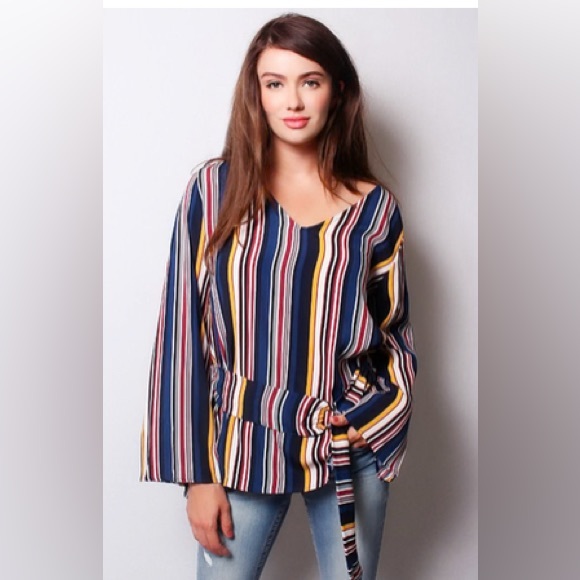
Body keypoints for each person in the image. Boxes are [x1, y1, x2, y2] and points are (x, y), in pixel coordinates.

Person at [140, 13, 417, 580]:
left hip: (347, 441)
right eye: (275, 83)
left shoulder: (374, 210)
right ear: (257, 93)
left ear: (337, 91)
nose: (293, 100)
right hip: (243, 440)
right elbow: (180, 337)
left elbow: (394, 333)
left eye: (310, 81)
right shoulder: (214, 191)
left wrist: (375, 420)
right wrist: (196, 476)